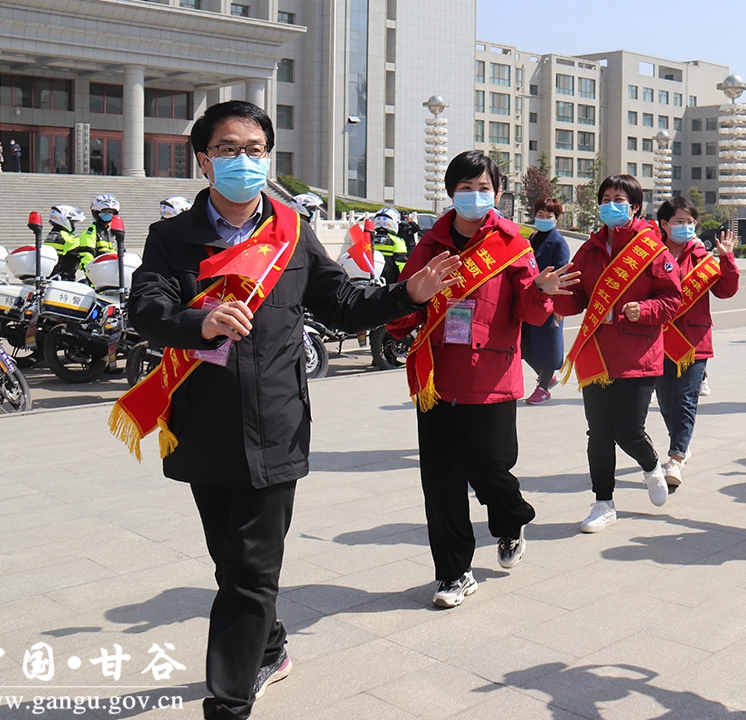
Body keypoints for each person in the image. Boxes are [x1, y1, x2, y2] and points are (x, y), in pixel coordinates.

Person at [117, 100, 460, 720]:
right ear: (203, 161)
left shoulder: (292, 231)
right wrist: (199, 322)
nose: (243, 160)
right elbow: (145, 307)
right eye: (228, 149)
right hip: (203, 423)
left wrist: (406, 294)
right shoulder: (171, 237)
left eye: (255, 150)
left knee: (250, 571)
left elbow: (341, 303)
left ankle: (228, 701)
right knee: (229, 561)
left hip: (276, 424)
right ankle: (271, 647)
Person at [386, 151, 577, 609]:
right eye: (466, 188)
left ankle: (512, 519)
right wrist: (402, 303)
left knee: (491, 470)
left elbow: (529, 312)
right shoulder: (430, 244)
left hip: (491, 376)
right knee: (441, 482)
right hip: (436, 379)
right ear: (451, 192)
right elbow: (405, 309)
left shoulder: (512, 243)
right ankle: (453, 573)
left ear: (498, 192)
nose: (475, 196)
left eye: (483, 188)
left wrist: (542, 292)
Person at [552, 175, 683, 532]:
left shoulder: (651, 248)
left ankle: (651, 466)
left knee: (628, 431)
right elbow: (577, 298)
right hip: (596, 353)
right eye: (606, 198)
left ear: (635, 206)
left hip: (638, 354)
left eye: (619, 199)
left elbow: (673, 299)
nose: (611, 205)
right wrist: (553, 295)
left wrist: (646, 310)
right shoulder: (590, 249)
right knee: (598, 433)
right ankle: (603, 503)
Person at [652, 197, 738, 487]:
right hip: (660, 339)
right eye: (679, 221)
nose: (686, 226)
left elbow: (725, 291)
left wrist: (727, 259)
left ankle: (676, 458)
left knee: (685, 399)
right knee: (666, 402)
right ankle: (681, 442)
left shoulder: (702, 257)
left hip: (693, 341)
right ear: (664, 224)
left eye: (690, 222)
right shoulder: (652, 254)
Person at [523, 197, 571, 405]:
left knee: (547, 345)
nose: (543, 218)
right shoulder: (533, 238)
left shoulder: (559, 243)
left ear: (556, 218)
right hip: (532, 298)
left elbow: (562, 274)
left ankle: (543, 389)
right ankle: (547, 378)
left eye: (548, 215)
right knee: (525, 345)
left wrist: (559, 305)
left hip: (550, 301)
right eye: (540, 215)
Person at [45, 204, 90, 281]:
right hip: (65, 279)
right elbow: (84, 254)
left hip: (52, 276)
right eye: (73, 222)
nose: (74, 226)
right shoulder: (66, 237)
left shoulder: (51, 235)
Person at [372, 207, 409, 287]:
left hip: (373, 281)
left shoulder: (370, 240)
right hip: (391, 284)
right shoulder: (397, 241)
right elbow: (402, 265)